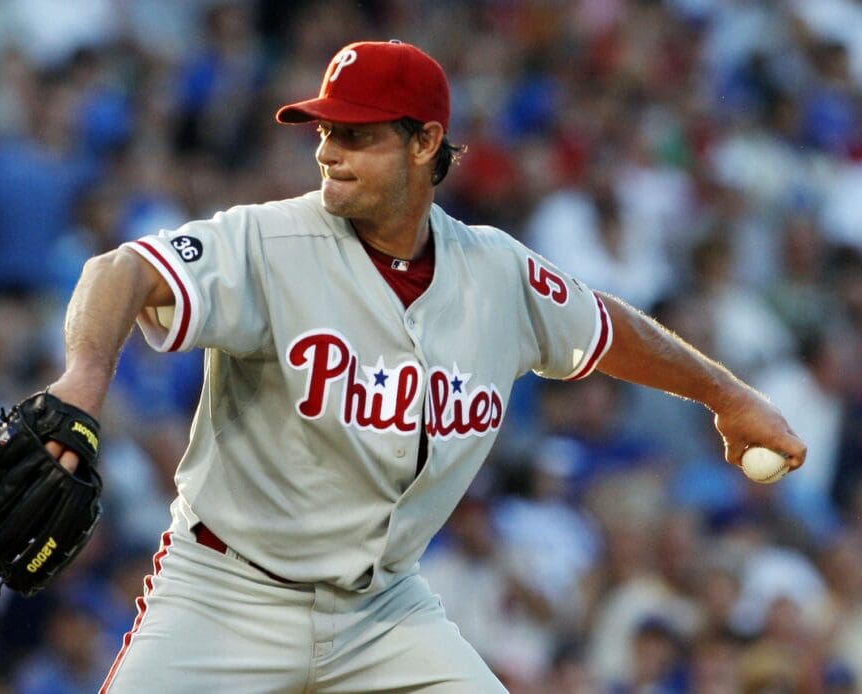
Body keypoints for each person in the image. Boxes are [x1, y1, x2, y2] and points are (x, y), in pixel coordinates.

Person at [41, 40, 805, 692]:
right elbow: (121, 272)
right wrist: (82, 380)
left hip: (383, 610)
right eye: (324, 130)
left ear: (424, 142)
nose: (327, 151)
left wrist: (725, 395)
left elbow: (606, 329)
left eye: (355, 133)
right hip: (224, 592)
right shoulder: (268, 241)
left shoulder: (496, 272)